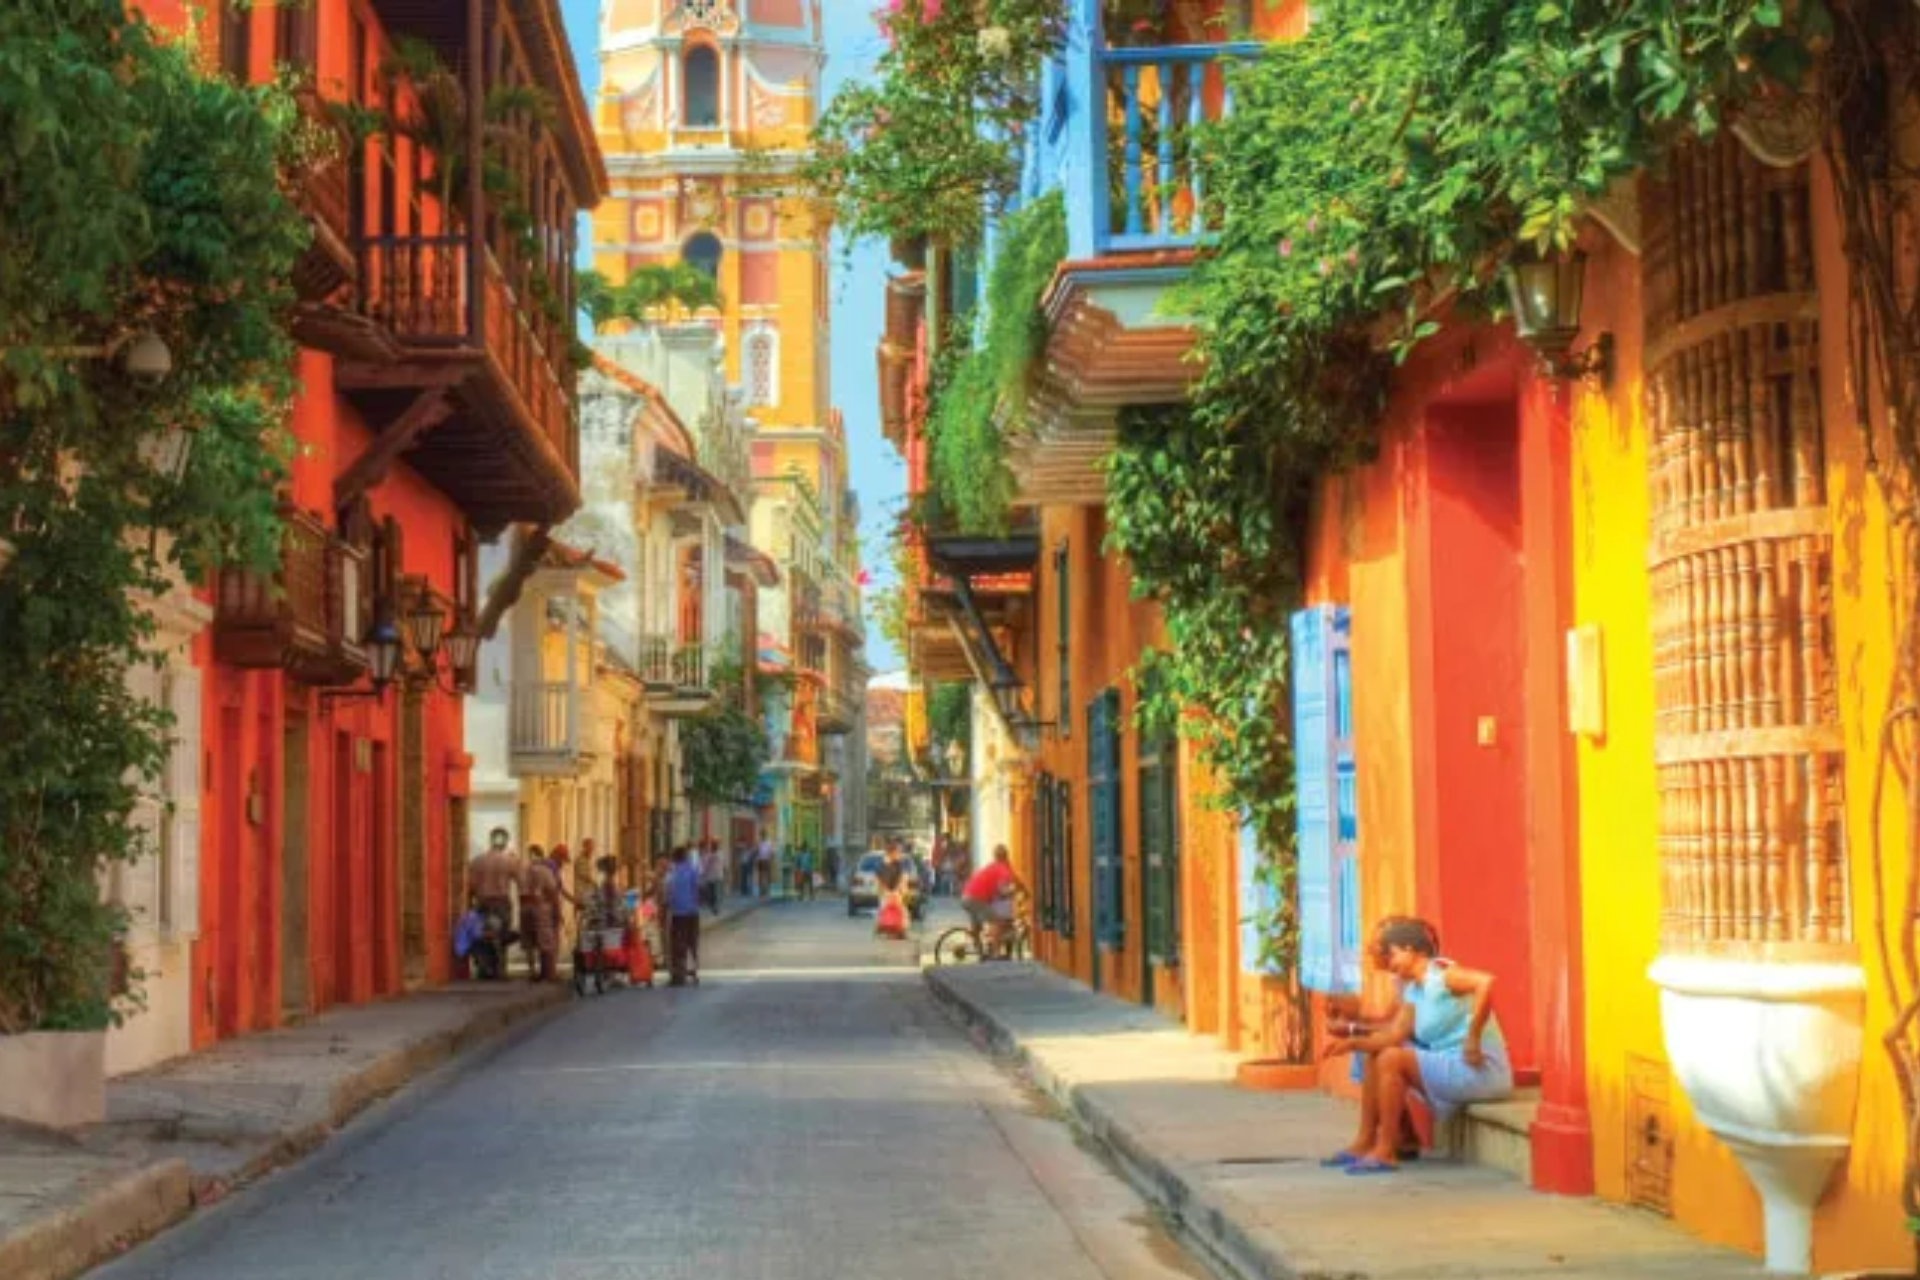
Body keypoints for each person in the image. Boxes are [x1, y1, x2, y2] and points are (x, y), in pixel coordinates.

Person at [1318, 916, 1512, 1175]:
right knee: (1377, 1052)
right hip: (1450, 1064)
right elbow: (1392, 1034)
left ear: (1410, 949)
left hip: (1481, 1070)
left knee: (1392, 1059)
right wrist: (1352, 1042)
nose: (1388, 961)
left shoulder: (1442, 974)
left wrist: (1473, 1036)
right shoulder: (1414, 991)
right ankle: (1367, 1141)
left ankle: (1386, 1150)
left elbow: (1486, 983)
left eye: (1392, 954)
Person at [467, 828, 522, 979]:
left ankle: (483, 969)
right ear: (505, 841)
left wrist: (470, 906)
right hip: (501, 902)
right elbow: (521, 883)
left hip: (482, 902)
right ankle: (500, 971)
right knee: (502, 937)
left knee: (481, 936)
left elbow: (469, 887)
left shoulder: (477, 861)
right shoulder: (510, 861)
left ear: (491, 840)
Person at [961, 843, 1026, 956]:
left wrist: (1022, 888)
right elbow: (1002, 891)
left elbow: (1014, 878)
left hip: (966, 897)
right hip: (977, 899)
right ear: (1006, 856)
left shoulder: (994, 866)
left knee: (977, 927)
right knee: (998, 921)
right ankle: (995, 954)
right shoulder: (1002, 869)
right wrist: (1015, 892)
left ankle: (980, 952)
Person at [665, 846, 704, 986]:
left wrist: (669, 904)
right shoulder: (693, 870)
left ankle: (678, 975)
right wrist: (696, 903)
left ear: (675, 857)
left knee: (678, 944)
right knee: (692, 942)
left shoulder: (672, 872)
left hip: (678, 914)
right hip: (692, 912)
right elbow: (698, 888)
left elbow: (669, 893)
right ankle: (694, 972)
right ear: (685, 856)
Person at [700, 840, 724, 916]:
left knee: (715, 893)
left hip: (715, 877)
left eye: (715, 845)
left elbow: (707, 866)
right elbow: (706, 865)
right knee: (712, 894)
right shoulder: (713, 855)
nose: (714, 847)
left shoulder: (716, 855)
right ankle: (714, 907)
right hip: (713, 877)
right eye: (714, 845)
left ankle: (715, 907)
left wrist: (704, 873)